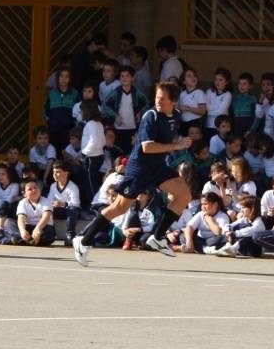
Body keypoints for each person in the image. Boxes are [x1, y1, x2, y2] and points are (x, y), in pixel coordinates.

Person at [72, 80, 193, 265]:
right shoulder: (150, 116)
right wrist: (176, 145)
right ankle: (83, 240)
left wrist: (180, 143)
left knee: (184, 195)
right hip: (140, 168)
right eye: (157, 97)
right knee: (119, 207)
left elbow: (165, 140)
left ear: (173, 101)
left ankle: (157, 237)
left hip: (157, 167)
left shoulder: (175, 116)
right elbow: (147, 147)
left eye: (162, 98)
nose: (158, 101)